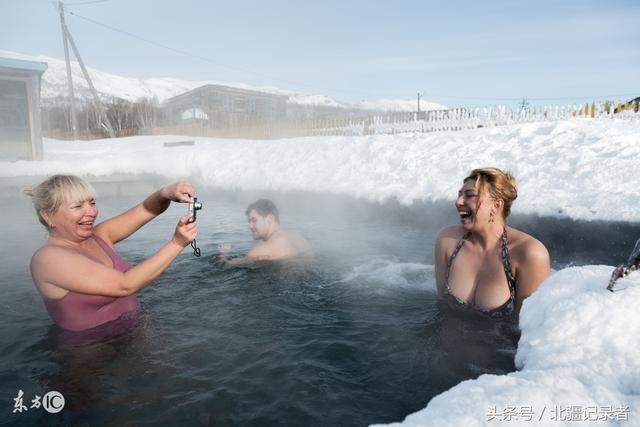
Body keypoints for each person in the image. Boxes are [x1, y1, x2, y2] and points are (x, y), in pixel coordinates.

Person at [26, 175, 197, 332]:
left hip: (136, 331)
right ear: (48, 216)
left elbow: (147, 209)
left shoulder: (100, 235)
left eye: (92, 203)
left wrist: (166, 192)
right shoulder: (48, 259)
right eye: (78, 206)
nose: (92, 212)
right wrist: (177, 243)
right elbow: (124, 285)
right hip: (91, 351)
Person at [434, 167, 550, 319]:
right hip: (447, 341)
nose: (458, 202)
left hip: (499, 342)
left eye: (470, 195)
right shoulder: (448, 241)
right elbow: (442, 309)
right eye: (459, 194)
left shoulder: (529, 253)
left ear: (496, 206)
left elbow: (528, 324)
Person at [219, 199, 309, 266]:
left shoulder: (261, 250)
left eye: (254, 220)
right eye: (249, 222)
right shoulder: (298, 238)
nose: (250, 226)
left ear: (270, 219)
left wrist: (224, 253)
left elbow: (227, 266)